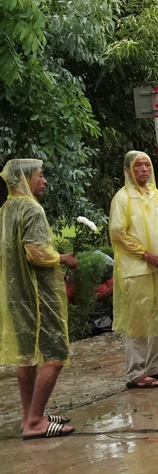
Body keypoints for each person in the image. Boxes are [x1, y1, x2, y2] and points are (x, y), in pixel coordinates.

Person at [0, 160, 79, 439]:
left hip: (17, 294)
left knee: (27, 356)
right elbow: (36, 253)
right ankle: (35, 422)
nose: (44, 180)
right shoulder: (32, 208)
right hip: (38, 295)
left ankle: (30, 416)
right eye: (39, 175)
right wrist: (63, 258)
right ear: (24, 179)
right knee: (55, 355)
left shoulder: (8, 208)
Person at [109, 151, 158, 389]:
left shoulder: (156, 196)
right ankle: (135, 372)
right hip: (137, 269)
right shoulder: (122, 198)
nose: (144, 169)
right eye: (138, 165)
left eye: (147, 165)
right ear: (128, 170)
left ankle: (156, 366)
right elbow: (118, 233)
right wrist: (146, 254)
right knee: (138, 321)